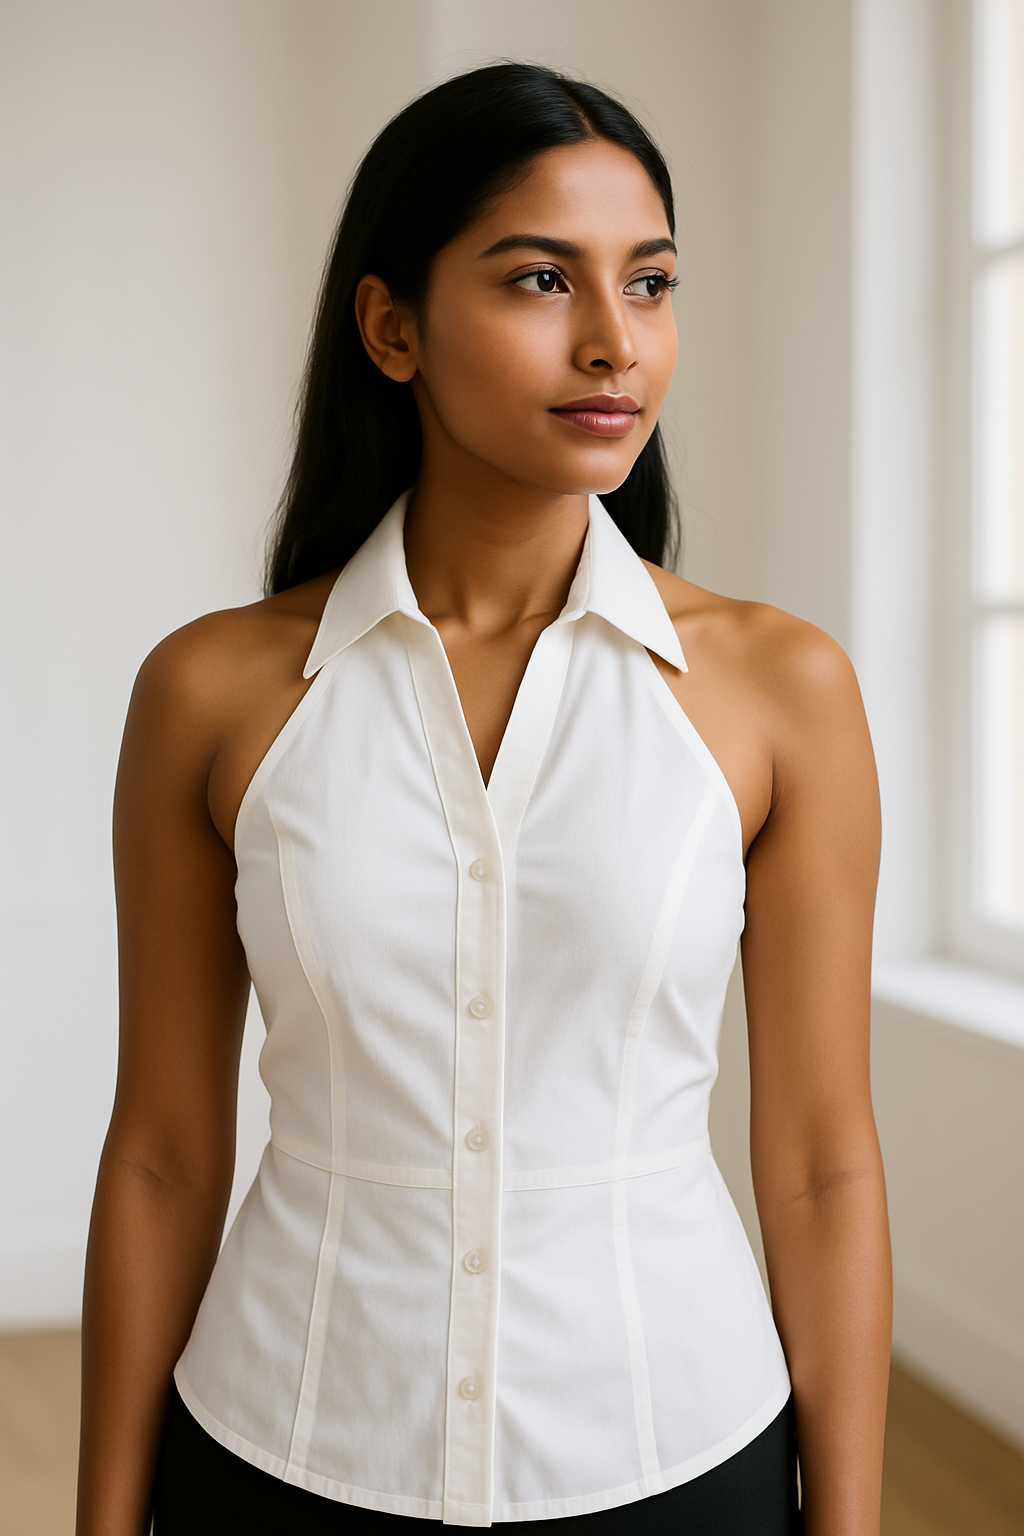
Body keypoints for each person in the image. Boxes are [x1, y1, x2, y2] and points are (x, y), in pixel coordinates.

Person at [76, 63, 891, 1536]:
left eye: (648, 286)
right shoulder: (212, 696)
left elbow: (826, 1162)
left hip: (675, 1458)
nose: (612, 343)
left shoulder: (783, 693)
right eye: (539, 280)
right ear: (393, 328)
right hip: (284, 1449)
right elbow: (160, 1154)